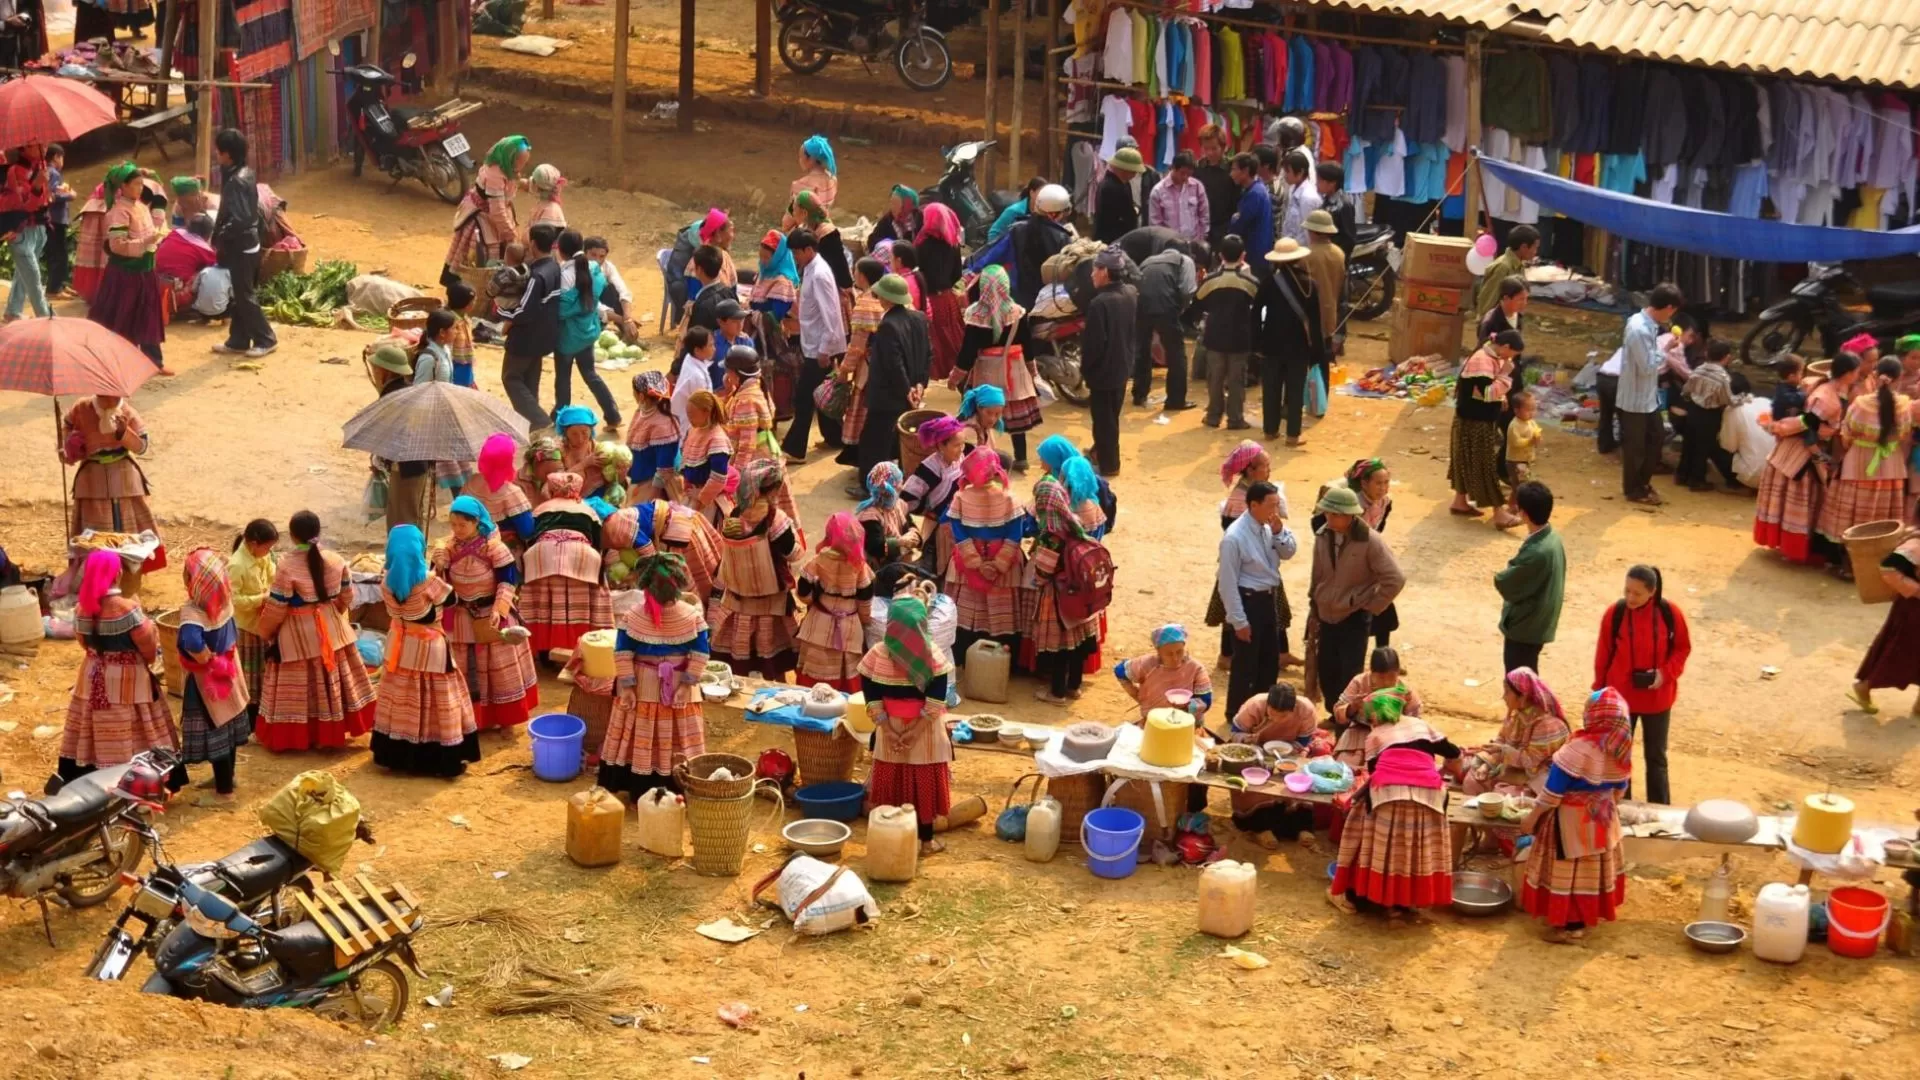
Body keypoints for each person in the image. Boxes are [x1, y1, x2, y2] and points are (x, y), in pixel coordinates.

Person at [1328, 691, 1460, 921]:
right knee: (1410, 846)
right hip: (1431, 797)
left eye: (1370, 718)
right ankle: (1403, 901)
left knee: (1367, 836)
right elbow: (1454, 752)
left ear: (1375, 717)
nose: (1371, 723)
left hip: (1389, 796)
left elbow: (1375, 771)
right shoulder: (1421, 725)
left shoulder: (1376, 735)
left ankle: (1353, 894)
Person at [252, 511, 377, 752]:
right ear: (318, 532)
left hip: (297, 635)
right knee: (334, 684)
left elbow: (277, 607)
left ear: (292, 535)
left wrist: (266, 632)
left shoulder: (287, 567)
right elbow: (347, 596)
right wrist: (334, 616)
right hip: (332, 629)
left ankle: (300, 736)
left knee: (300, 688)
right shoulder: (335, 560)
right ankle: (330, 733)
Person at [56, 550, 178, 789]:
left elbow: (84, 644)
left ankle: (90, 783)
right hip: (128, 679)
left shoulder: (82, 609)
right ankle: (137, 784)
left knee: (91, 727)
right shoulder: (128, 609)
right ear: (117, 573)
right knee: (136, 728)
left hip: (92, 676)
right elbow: (149, 649)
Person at [1519, 688, 1633, 943]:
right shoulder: (1621, 748)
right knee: (1591, 874)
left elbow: (1552, 792)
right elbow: (1620, 790)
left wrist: (1531, 818)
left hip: (1570, 823)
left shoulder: (1577, 749)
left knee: (1568, 874)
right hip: (1603, 820)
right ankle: (1584, 919)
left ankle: (1569, 927)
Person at [596, 551, 712, 799]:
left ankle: (643, 788)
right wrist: (686, 684)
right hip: (658, 687)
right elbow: (699, 654)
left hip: (647, 686)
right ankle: (672, 787)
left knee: (641, 736)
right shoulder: (691, 616)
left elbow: (623, 652)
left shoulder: (636, 616)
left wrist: (627, 686)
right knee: (672, 738)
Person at [370, 525, 480, 778]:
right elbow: (451, 600)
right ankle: (439, 759)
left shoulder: (386, 580)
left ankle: (396, 756)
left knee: (401, 699)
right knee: (437, 700)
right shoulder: (427, 580)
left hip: (400, 644)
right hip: (429, 648)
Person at [859, 596, 955, 855]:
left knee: (891, 779)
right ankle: (926, 842)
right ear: (923, 625)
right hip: (925, 728)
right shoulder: (933, 656)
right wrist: (914, 732)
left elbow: (871, 696)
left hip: (889, 726)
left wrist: (888, 730)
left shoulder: (877, 654)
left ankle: (891, 840)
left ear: (891, 625)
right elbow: (935, 701)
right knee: (923, 782)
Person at [436, 496, 540, 730]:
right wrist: (439, 566)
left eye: (462, 525)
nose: (457, 530)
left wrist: (499, 609)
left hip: (491, 613)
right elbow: (440, 585)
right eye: (453, 525)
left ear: (476, 523)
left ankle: (504, 719)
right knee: (465, 666)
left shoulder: (495, 548)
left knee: (498, 668)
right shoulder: (448, 548)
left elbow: (508, 581)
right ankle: (473, 719)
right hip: (461, 615)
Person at [1592, 565, 1689, 804]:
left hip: (1658, 699)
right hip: (1621, 699)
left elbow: (1682, 648)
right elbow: (1603, 654)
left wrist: (1664, 674)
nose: (1630, 598)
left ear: (1652, 593)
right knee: (1618, 757)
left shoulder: (1670, 613)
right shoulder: (1615, 613)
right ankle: (1620, 808)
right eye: (1627, 591)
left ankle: (1661, 811)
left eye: (1637, 593)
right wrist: (1598, 692)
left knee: (1656, 759)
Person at [1308, 484, 1406, 712]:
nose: (1327, 517)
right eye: (1327, 512)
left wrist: (1370, 607)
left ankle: (1347, 721)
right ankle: (1334, 715)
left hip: (1353, 617)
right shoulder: (1323, 536)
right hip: (1326, 615)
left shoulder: (1371, 541)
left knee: (1349, 674)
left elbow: (1395, 578)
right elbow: (1317, 574)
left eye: (1333, 514)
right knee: (1327, 671)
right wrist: (1315, 603)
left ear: (1348, 516)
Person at [1755, 351, 1855, 565]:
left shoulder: (1821, 386)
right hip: (1803, 452)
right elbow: (1808, 425)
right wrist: (1818, 454)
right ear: (1848, 374)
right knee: (1804, 501)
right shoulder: (1826, 398)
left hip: (1796, 448)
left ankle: (1791, 544)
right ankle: (1795, 547)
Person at [169, 548, 253, 796]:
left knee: (216, 728)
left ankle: (224, 791)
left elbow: (192, 643)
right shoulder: (224, 603)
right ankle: (227, 778)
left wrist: (204, 657)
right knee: (229, 723)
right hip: (230, 671)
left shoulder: (193, 613)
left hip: (208, 679)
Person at [1026, 438, 1104, 704]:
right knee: (1078, 644)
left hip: (1059, 597)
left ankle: (1056, 692)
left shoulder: (1052, 534)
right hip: (1082, 594)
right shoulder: (1076, 528)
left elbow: (1044, 569)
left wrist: (1037, 577)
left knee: (1061, 646)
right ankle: (1074, 686)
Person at [1820, 356, 1913, 571]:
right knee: (1882, 516)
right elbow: (1904, 435)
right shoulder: (1905, 405)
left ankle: (1847, 564)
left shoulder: (1861, 404)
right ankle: (1873, 565)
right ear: (1898, 378)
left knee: (1851, 515)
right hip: (1891, 466)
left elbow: (1846, 434)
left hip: (1858, 465)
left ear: (1875, 375)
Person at [712, 460, 802, 680]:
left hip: (739, 598)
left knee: (742, 657)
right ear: (771, 489)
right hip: (770, 602)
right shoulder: (775, 520)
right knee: (773, 661)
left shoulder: (735, 513)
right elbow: (793, 554)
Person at [1216, 479, 1298, 716]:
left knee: (1269, 660)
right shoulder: (1234, 537)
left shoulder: (1269, 526)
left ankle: (1264, 711)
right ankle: (1236, 714)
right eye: (1271, 505)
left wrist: (1280, 532)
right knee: (1245, 664)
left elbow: (1289, 552)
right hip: (1248, 601)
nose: (1276, 511)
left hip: (1268, 600)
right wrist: (1238, 621)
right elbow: (1227, 583)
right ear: (1254, 505)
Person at [60, 395, 165, 567]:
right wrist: (68, 444)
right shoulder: (81, 408)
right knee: (93, 529)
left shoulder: (127, 413)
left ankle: (128, 567)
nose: (110, 401)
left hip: (123, 478)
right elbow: (67, 428)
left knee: (127, 526)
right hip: (91, 480)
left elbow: (142, 447)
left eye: (115, 397)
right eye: (104, 396)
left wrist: (123, 433)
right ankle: (95, 567)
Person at [953, 264, 1040, 470]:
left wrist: (955, 377)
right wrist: (1033, 372)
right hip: (1015, 370)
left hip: (987, 372)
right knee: (1014, 413)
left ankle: (984, 456)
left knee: (985, 415)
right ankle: (1021, 457)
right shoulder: (1018, 313)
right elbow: (1028, 347)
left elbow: (967, 354)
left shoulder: (976, 316)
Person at [944, 449, 1027, 660]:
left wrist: (976, 562)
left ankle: (964, 658)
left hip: (967, 566)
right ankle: (1004, 660)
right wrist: (999, 563)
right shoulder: (1010, 499)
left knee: (967, 610)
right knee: (1002, 613)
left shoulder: (960, 498)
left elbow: (959, 535)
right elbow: (1015, 535)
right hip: (1005, 568)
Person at [88, 163, 170, 373]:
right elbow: (117, 246)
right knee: (123, 318)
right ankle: (121, 362)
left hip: (145, 271)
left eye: (141, 184)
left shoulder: (141, 207)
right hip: (125, 275)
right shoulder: (118, 213)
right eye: (135, 184)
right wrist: (146, 241)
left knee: (148, 315)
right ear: (122, 187)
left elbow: (153, 225)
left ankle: (154, 361)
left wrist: (156, 231)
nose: (140, 188)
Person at [852, 273, 932, 483]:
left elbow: (893, 364)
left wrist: (906, 390)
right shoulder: (920, 318)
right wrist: (920, 385)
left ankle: (869, 485)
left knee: (873, 442)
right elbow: (927, 354)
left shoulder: (888, 325)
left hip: (889, 394)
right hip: (911, 390)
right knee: (899, 438)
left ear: (888, 299)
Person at [522, 472, 611, 657]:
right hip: (581, 555)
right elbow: (598, 543)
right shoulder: (589, 511)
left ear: (552, 488)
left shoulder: (540, 509)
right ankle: (583, 646)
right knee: (579, 602)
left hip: (542, 554)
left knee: (546, 603)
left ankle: (545, 650)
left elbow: (529, 538)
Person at [1312, 460, 1398, 648]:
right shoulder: (1350, 504)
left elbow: (1378, 529)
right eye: (1378, 483)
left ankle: (1382, 654)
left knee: (1382, 609)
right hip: (1346, 557)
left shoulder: (1385, 503)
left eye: (1386, 483)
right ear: (1364, 484)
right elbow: (1321, 526)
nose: (1383, 488)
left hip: (1367, 555)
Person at [206, 131, 277, 358]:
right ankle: (238, 339)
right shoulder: (245, 173)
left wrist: (221, 237)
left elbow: (240, 219)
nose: (216, 154)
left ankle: (266, 338)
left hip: (241, 247)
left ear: (227, 154)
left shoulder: (236, 181)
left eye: (218, 151)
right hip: (249, 244)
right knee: (240, 293)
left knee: (245, 295)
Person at [782, 228, 849, 462]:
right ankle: (835, 436)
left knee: (804, 398)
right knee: (824, 393)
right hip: (814, 342)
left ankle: (794, 449)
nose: (794, 258)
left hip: (821, 346)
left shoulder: (819, 274)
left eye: (796, 253)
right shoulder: (810, 269)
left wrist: (824, 349)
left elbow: (830, 314)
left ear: (808, 250)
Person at [1617, 284, 1685, 505]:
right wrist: (1665, 351)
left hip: (1647, 397)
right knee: (1636, 447)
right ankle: (1633, 489)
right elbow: (1647, 367)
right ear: (1668, 308)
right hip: (1634, 398)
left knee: (1655, 439)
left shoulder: (1649, 325)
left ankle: (1643, 483)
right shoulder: (1639, 329)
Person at [1447, 329, 1523, 525]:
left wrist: (1501, 396)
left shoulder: (1488, 356)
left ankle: (1460, 501)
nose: (1510, 359)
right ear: (1505, 347)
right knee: (1484, 465)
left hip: (1468, 418)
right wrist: (1506, 376)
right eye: (1511, 354)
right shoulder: (1482, 361)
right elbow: (1487, 393)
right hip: (1476, 421)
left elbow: (1484, 390)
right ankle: (1498, 512)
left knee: (1464, 460)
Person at [796, 511, 875, 691]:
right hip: (850, 626)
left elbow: (803, 591)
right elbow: (865, 600)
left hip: (819, 624)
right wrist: (864, 621)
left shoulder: (819, 561)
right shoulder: (860, 567)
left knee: (815, 670)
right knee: (847, 671)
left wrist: (812, 601)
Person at [498, 223, 566, 430]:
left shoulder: (537, 276)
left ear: (534, 244)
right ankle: (531, 427)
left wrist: (503, 315)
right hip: (545, 335)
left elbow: (525, 311)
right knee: (530, 380)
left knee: (511, 378)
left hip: (526, 337)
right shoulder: (554, 266)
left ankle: (540, 422)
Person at [1257, 237, 1323, 447]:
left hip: (1271, 343)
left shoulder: (1268, 282)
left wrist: (1256, 342)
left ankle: (1270, 431)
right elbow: (1315, 321)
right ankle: (1293, 435)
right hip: (1299, 345)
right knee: (1295, 390)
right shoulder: (1310, 285)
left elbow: (1256, 312)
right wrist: (1317, 352)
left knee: (1271, 388)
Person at [1463, 667, 1570, 796]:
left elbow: (1529, 761)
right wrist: (1487, 765)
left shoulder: (1546, 725)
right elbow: (1501, 740)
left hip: (1538, 778)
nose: (1503, 697)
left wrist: (1502, 751)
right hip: (1514, 770)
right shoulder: (1517, 715)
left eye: (1507, 692)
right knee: (1472, 780)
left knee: (1501, 795)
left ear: (1523, 696)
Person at [1494, 481, 1565, 674]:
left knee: (1520, 681)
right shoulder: (1552, 538)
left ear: (1523, 513)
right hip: (1539, 621)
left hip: (1526, 626)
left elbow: (1505, 582)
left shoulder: (1536, 552)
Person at [554, 230, 623, 427]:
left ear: (560, 250)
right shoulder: (593, 268)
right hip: (588, 331)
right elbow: (592, 297)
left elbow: (561, 309)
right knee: (591, 374)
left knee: (563, 378)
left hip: (568, 336)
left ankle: (561, 415)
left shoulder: (564, 275)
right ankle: (613, 414)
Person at [1192, 235, 1258, 430]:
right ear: (1243, 256)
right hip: (1240, 339)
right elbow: (1258, 306)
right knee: (1237, 380)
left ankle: (1213, 416)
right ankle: (1235, 418)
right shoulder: (1250, 282)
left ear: (1220, 256)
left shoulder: (1210, 281)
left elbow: (1197, 305)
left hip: (1214, 338)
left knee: (1215, 378)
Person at [444, 135, 529, 283]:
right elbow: (497, 211)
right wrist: (510, 234)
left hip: (492, 214)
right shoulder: (494, 176)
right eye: (520, 163)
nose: (521, 167)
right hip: (483, 218)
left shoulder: (503, 165)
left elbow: (511, 182)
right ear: (511, 159)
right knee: (482, 256)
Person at [1853, 529, 1920, 716]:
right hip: (1913, 611)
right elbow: (1888, 569)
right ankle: (1865, 686)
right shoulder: (1914, 546)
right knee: (1901, 652)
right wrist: (1916, 590)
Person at [1082, 247, 1136, 478]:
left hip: (1103, 372)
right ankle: (1098, 451)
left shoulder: (1100, 303)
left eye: (1095, 269)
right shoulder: (1131, 293)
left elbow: (1093, 344)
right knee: (1111, 416)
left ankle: (1109, 465)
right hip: (1123, 365)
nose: (1092, 274)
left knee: (1104, 421)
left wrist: (1086, 370)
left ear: (1105, 272)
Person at [835, 257, 890, 470]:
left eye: (855, 271)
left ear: (863, 276)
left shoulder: (865, 302)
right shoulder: (886, 299)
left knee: (861, 411)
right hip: (885, 365)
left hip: (867, 367)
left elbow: (857, 345)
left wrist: (844, 370)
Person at [1133, 237, 1197, 411]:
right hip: (1166, 307)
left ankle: (1139, 395)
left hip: (1140, 307)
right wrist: (1179, 310)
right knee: (1176, 353)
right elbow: (1187, 290)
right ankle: (1176, 400)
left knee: (1142, 350)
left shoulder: (1148, 261)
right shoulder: (1184, 260)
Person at [1331, 647, 1423, 766]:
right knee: (1347, 766)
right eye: (1380, 677)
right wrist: (1352, 707)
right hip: (1360, 733)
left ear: (1398, 673)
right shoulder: (1359, 682)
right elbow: (1338, 712)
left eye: (1391, 677)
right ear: (1371, 673)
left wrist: (1403, 709)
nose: (1386, 683)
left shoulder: (1405, 690)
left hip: (1394, 737)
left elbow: (1417, 725)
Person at [1674, 338, 1743, 492]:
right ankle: (1697, 480)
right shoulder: (1723, 377)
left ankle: (1681, 474)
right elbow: (1728, 399)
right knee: (1703, 447)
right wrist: (1743, 398)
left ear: (1707, 354)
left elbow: (1686, 390)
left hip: (1693, 410)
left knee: (1689, 443)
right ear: (1726, 357)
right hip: (1709, 414)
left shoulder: (1698, 370)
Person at [228, 519, 278, 730]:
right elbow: (234, 599)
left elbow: (273, 576)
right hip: (246, 626)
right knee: (249, 676)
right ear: (254, 543)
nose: (269, 552)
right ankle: (248, 721)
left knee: (263, 672)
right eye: (267, 547)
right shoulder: (237, 564)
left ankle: (262, 715)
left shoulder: (264, 557)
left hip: (263, 623)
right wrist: (261, 598)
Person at [903, 415, 966, 575]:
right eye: (956, 445)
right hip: (936, 523)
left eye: (963, 444)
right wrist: (924, 510)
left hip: (957, 519)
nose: (961, 449)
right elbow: (908, 496)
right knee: (933, 558)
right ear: (941, 446)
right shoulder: (929, 468)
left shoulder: (961, 459)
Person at [1115, 622, 1214, 722]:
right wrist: (1137, 695)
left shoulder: (1196, 669)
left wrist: (1187, 706)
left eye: (1179, 652)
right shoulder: (1147, 665)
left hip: (1188, 723)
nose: (1175, 658)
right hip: (1154, 722)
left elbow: (1205, 700)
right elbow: (1119, 670)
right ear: (1159, 652)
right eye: (1169, 654)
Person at [1, 143, 54, 321]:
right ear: (23, 149)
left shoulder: (40, 168)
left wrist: (46, 189)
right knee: (34, 278)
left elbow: (44, 201)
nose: (43, 147)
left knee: (23, 274)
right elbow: (24, 206)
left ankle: (13, 311)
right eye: (35, 145)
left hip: (39, 229)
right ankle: (46, 318)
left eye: (43, 143)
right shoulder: (15, 171)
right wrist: (38, 185)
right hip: (20, 230)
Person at [916, 203, 967, 382]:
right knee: (953, 335)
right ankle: (960, 371)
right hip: (946, 298)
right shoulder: (953, 244)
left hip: (928, 299)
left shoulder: (921, 244)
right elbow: (957, 274)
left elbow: (918, 272)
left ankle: (933, 373)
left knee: (933, 337)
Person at [620, 371, 678, 506]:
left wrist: (650, 499)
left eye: (634, 392)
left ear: (640, 396)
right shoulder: (641, 411)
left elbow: (664, 468)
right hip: (638, 481)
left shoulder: (662, 425)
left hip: (652, 487)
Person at [678, 389, 733, 523]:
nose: (689, 418)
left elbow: (719, 478)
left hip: (709, 502)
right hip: (692, 495)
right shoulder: (693, 431)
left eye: (692, 414)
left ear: (706, 412)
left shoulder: (717, 439)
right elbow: (686, 461)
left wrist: (701, 496)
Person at [788, 190, 853, 292]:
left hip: (829, 286)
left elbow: (838, 267)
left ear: (804, 213)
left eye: (795, 210)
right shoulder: (805, 227)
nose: (793, 214)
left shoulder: (828, 234)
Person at [1226, 154, 1275, 280]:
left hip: (1255, 256)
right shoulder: (1254, 189)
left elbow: (1239, 224)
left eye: (1234, 169)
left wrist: (1234, 219)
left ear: (1246, 171)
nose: (1231, 174)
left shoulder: (1255, 194)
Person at [1474, 225, 1538, 318]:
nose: (1536, 252)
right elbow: (1487, 302)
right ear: (1524, 247)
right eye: (1535, 247)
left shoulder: (1519, 265)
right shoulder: (1503, 267)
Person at [1148, 151, 1210, 246]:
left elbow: (1204, 215)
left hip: (1194, 243)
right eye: (1182, 173)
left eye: (1188, 174)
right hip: (1169, 245)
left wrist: (1200, 239)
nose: (1185, 177)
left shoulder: (1197, 187)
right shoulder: (1158, 191)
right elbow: (1155, 224)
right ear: (1173, 168)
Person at [669, 325, 718, 430]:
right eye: (710, 345)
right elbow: (704, 409)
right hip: (689, 425)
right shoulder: (697, 377)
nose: (714, 349)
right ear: (697, 350)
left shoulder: (690, 357)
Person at [1094, 146, 1144, 243]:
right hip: (1113, 242)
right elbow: (1128, 216)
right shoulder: (1113, 187)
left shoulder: (1115, 183)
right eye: (1133, 171)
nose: (1134, 175)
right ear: (1124, 169)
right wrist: (1136, 210)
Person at [1277, 150, 1322, 247]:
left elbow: (1308, 233)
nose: (1285, 175)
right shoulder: (1292, 189)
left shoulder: (1308, 198)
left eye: (1288, 171)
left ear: (1300, 172)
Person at [1314, 160, 1355, 257]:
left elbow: (1349, 239)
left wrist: (1335, 258)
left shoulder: (1343, 205)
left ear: (1332, 183)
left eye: (1320, 180)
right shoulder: (1327, 199)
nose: (1316, 183)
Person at [989, 176, 1046, 244]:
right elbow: (993, 233)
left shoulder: (1045, 212)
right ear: (1032, 193)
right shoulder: (1014, 211)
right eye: (1041, 193)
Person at [867, 185, 923, 252]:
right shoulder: (887, 220)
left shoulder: (918, 217)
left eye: (896, 204)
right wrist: (890, 246)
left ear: (907, 206)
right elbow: (872, 242)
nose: (892, 208)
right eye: (892, 203)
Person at [791, 134, 839, 212]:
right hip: (826, 223)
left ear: (811, 159)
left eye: (801, 156)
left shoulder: (801, 184)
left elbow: (792, 216)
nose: (799, 160)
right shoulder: (833, 179)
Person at [444, 282, 479, 387]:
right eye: (474, 301)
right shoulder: (450, 322)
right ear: (467, 305)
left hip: (465, 365)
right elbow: (447, 348)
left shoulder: (465, 318)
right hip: (454, 366)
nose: (475, 303)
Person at [413, 309, 457, 385]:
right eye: (453, 328)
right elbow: (419, 390)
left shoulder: (446, 349)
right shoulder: (428, 359)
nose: (456, 331)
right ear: (442, 332)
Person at [1479, 276, 1528, 342]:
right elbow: (1485, 347)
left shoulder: (1518, 315)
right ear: (1506, 298)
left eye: (1526, 298)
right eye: (1521, 299)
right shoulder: (1490, 322)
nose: (1525, 303)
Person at [524, 163, 566, 235]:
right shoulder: (544, 204)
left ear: (538, 187)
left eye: (534, 181)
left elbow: (543, 240)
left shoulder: (550, 210)